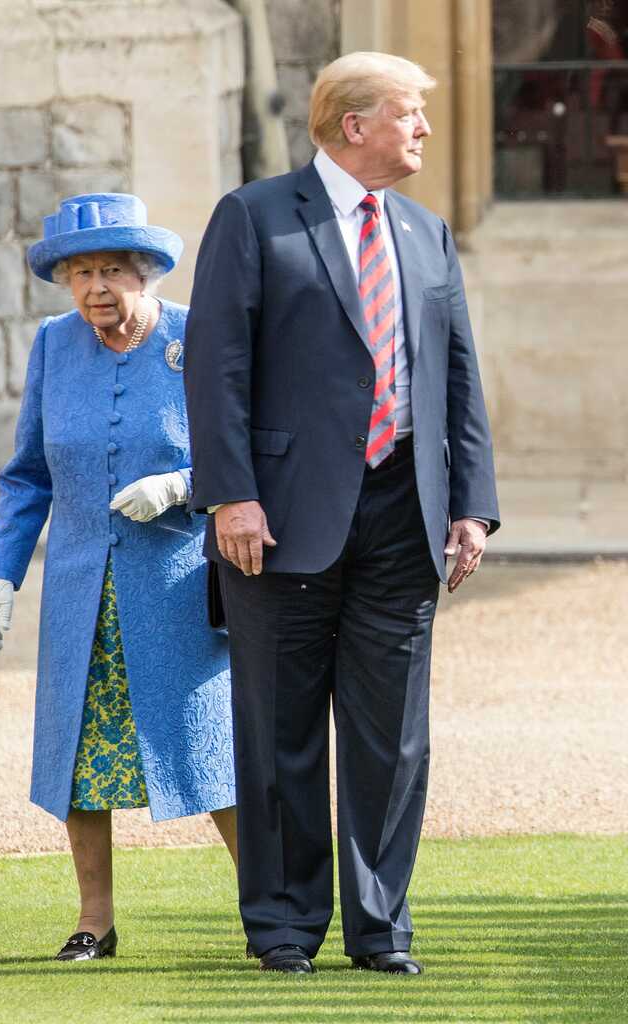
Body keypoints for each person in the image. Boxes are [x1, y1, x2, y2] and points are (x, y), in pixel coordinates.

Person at [184, 52, 500, 975]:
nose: (425, 132)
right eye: (410, 114)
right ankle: (283, 927)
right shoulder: (253, 216)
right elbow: (218, 367)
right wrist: (230, 494)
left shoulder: (428, 232)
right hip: (278, 518)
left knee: (393, 738)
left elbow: (458, 378)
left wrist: (472, 505)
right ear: (353, 123)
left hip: (406, 512)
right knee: (279, 728)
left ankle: (381, 929)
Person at [0, 193, 237, 962]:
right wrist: (2, 574)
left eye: (114, 270)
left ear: (147, 273)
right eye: (82, 272)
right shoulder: (55, 346)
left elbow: (251, 448)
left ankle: (273, 912)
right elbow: (27, 475)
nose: (98, 286)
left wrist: (183, 486)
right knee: (78, 757)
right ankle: (95, 921)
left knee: (214, 748)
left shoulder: (199, 337)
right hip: (79, 590)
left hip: (180, 585)